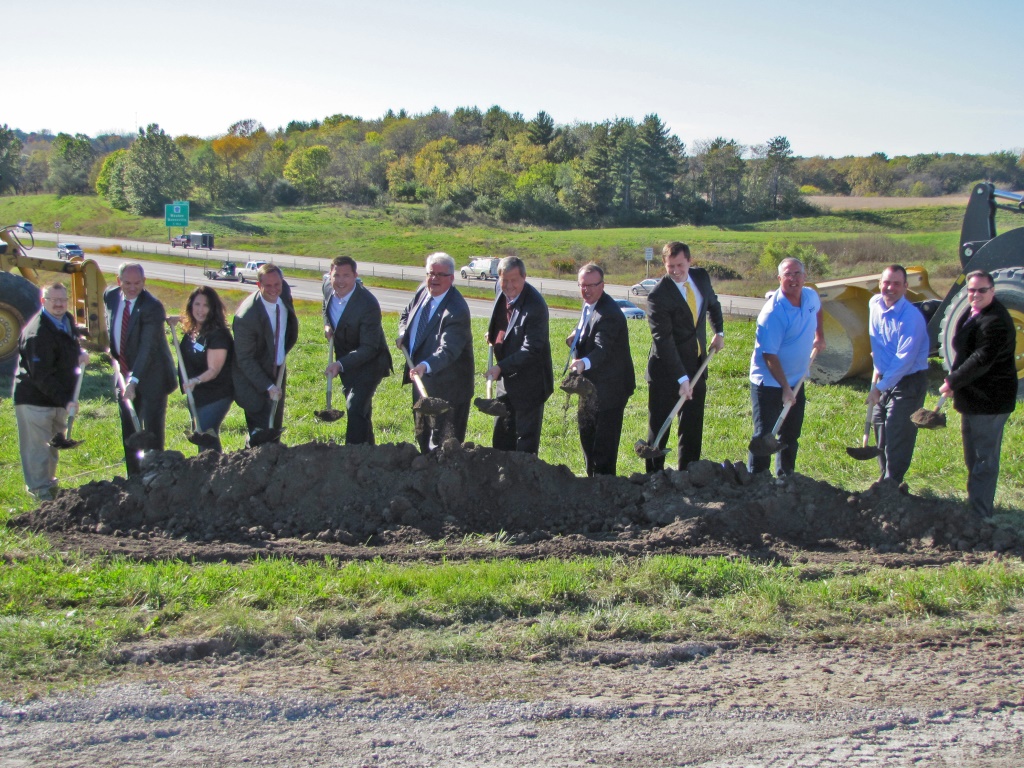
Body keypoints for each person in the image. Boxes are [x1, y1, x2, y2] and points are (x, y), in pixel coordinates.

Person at [938, 271, 1018, 518]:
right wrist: (956, 383)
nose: (975, 295)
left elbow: (980, 359)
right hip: (973, 398)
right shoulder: (972, 313)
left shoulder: (995, 321)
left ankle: (981, 515)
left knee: (984, 459)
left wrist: (953, 380)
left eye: (981, 290)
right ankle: (975, 507)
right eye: (971, 290)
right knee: (973, 457)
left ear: (992, 291)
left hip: (990, 400)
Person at [644, 242, 724, 472]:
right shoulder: (658, 295)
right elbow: (664, 341)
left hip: (697, 366)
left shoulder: (700, 277)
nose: (676, 270)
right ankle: (654, 478)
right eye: (670, 266)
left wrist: (719, 332)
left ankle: (689, 475)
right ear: (664, 264)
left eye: (680, 265)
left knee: (692, 426)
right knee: (660, 426)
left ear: (689, 261)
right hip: (666, 371)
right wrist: (681, 378)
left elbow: (713, 304)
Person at [747, 258, 826, 476]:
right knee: (764, 436)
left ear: (805, 276)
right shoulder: (773, 313)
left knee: (790, 435)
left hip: (796, 379)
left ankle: (786, 478)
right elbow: (769, 355)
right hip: (770, 382)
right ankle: (756, 482)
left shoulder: (810, 296)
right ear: (779, 279)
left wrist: (819, 336)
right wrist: (785, 388)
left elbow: (817, 310)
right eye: (788, 275)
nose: (793, 279)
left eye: (797, 273)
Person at [13, 282, 90, 500]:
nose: (58, 304)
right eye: (53, 299)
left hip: (57, 399)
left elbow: (67, 345)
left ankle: (49, 485)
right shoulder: (37, 333)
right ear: (43, 301)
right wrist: (66, 400)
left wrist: (78, 352)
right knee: (37, 449)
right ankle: (39, 493)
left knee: (53, 447)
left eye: (63, 300)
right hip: (35, 399)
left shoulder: (66, 321)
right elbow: (41, 376)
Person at [103, 262, 177, 475]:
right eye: (127, 283)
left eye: (137, 283)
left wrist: (133, 381)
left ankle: (154, 477)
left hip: (153, 376)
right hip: (124, 372)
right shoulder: (110, 296)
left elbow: (147, 347)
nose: (132, 287)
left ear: (144, 282)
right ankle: (134, 477)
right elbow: (112, 326)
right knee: (129, 429)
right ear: (119, 282)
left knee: (151, 432)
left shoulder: (152, 307)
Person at [397, 252, 474, 453]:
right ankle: (425, 468)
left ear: (452, 278)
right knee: (423, 433)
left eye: (440, 275)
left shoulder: (456, 310)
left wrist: (426, 365)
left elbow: (448, 350)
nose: (434, 279)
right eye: (431, 273)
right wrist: (403, 333)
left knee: (445, 443)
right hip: (422, 379)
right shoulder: (423, 291)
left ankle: (445, 480)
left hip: (449, 386)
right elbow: (406, 313)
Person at [566, 263, 635, 476]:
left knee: (603, 448)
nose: (586, 290)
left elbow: (602, 349)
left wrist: (582, 363)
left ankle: (605, 490)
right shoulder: (589, 305)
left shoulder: (610, 314)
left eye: (591, 285)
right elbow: (588, 328)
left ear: (602, 285)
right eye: (582, 285)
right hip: (590, 387)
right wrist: (575, 336)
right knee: (587, 439)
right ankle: (590, 485)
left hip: (611, 390)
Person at [867, 264, 930, 485]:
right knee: (880, 427)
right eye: (886, 282)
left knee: (897, 430)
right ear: (879, 284)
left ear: (905, 286)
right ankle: (885, 478)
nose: (890, 287)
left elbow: (904, 361)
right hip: (884, 376)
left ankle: (893, 484)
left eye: (896, 283)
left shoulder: (911, 318)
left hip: (908, 381)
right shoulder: (874, 304)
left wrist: (879, 388)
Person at [485, 256, 553, 454]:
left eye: (514, 280)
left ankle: (524, 481)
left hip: (530, 382)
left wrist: (500, 367)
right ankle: (501, 477)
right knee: (501, 434)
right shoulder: (501, 289)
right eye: (504, 280)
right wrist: (495, 334)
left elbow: (531, 349)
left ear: (524, 277)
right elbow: (504, 320)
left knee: (525, 441)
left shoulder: (536, 306)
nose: (509, 285)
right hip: (506, 381)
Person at [322, 256, 393, 444]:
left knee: (354, 407)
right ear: (330, 275)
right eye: (336, 275)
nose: (341, 281)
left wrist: (340, 364)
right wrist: (327, 324)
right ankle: (367, 454)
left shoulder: (368, 304)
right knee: (360, 411)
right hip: (346, 360)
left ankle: (352, 456)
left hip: (371, 361)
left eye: (346, 275)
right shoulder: (328, 287)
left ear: (355, 276)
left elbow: (369, 347)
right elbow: (325, 306)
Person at [232, 264, 299, 446]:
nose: (273, 290)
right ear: (258, 285)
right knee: (260, 428)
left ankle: (273, 464)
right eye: (267, 286)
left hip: (277, 368)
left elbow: (287, 325)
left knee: (274, 425)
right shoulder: (247, 317)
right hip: (253, 376)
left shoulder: (283, 293)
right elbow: (245, 359)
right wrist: (267, 386)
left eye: (277, 284)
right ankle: (252, 463)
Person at [178, 286, 234, 452]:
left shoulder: (218, 335)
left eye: (206, 305)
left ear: (213, 309)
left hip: (215, 394)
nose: (200, 310)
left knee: (206, 436)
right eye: (197, 304)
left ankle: (214, 471)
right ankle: (207, 470)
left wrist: (195, 380)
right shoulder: (193, 329)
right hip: (196, 393)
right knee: (201, 435)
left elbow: (214, 370)